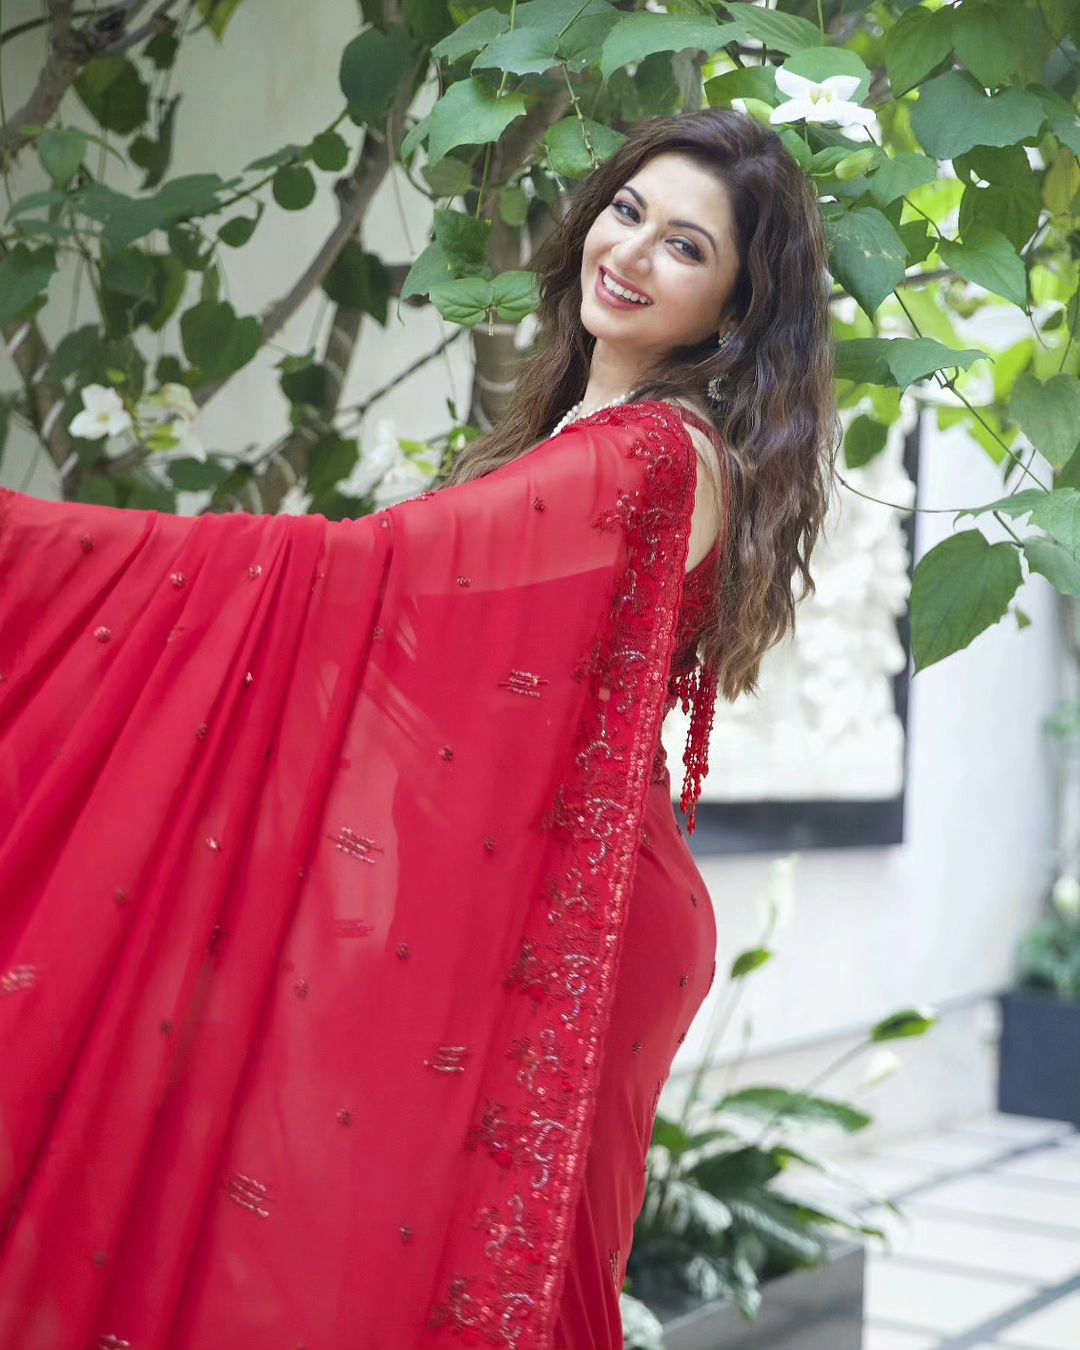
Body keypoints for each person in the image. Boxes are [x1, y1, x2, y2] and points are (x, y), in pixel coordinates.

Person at [0, 109, 836, 1350]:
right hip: (557, 902)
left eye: (686, 247)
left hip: (588, 930)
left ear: (730, 310)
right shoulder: (580, 437)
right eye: (627, 213)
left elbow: (381, 578)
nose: (632, 252)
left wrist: (39, 550)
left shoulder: (659, 456)